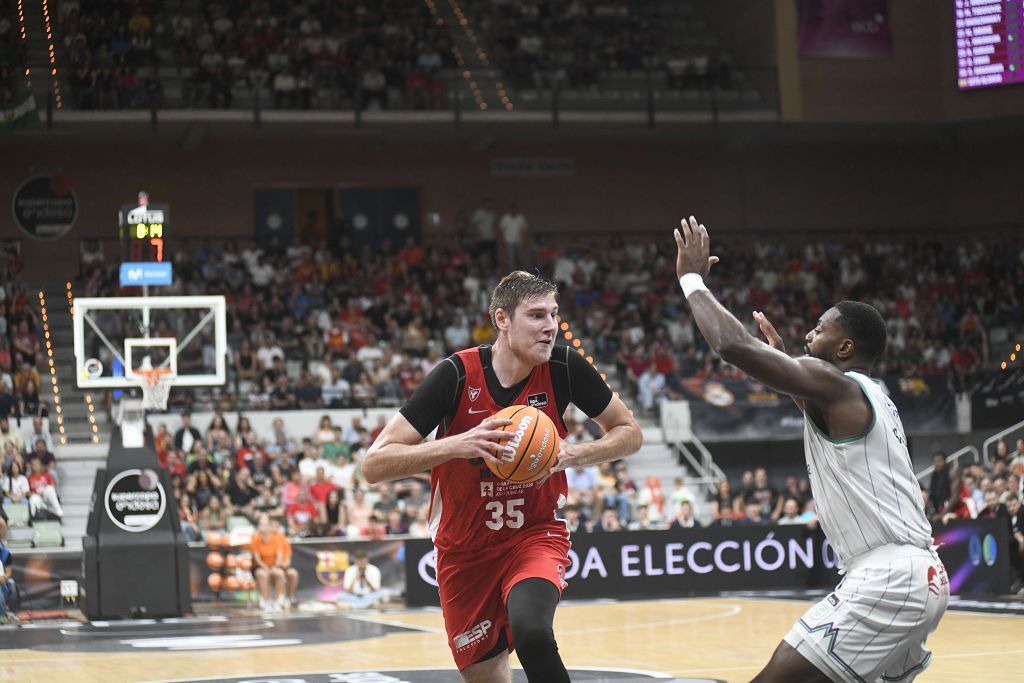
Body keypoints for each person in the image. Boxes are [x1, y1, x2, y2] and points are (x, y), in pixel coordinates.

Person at [673, 215, 947, 683]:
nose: (808, 336)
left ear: (844, 349)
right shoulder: (869, 393)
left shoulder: (837, 385)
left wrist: (690, 278)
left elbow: (732, 345)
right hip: (918, 573)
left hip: (889, 577)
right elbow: (811, 401)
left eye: (819, 330)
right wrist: (782, 360)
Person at [363, 270, 643, 683]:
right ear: (502, 320)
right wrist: (458, 444)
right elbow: (373, 464)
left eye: (553, 314)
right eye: (536, 316)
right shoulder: (455, 375)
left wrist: (575, 455)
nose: (549, 326)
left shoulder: (565, 367)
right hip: (464, 551)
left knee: (533, 633)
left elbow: (630, 432)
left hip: (534, 534)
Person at [250, 514, 299, 612]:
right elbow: (257, 558)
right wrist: (266, 568)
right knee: (262, 574)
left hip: (275, 566)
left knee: (281, 573)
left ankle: (279, 601)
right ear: (258, 527)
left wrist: (276, 566)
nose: (265, 528)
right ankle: (265, 601)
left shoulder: (276, 538)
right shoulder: (255, 539)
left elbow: (279, 555)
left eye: (266, 525)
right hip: (260, 567)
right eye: (262, 525)